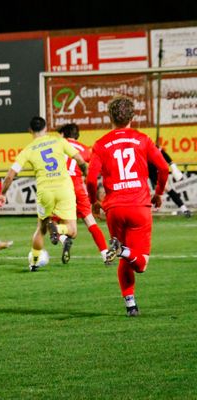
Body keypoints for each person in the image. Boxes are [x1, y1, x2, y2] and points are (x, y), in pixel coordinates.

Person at [86, 96, 169, 317]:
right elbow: (163, 168)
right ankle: (121, 250)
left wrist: (94, 201)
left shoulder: (101, 144)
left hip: (114, 209)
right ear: (133, 116)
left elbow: (91, 180)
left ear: (110, 117)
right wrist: (158, 193)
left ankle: (130, 305)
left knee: (126, 256)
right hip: (139, 206)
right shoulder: (143, 139)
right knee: (141, 264)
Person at [0, 116, 87, 271]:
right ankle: (59, 230)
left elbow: (10, 175)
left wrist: (3, 193)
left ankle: (34, 261)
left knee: (41, 228)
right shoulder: (59, 141)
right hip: (64, 189)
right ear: (46, 128)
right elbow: (80, 160)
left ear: (30, 130)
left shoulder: (28, 150)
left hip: (45, 192)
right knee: (72, 230)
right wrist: (85, 174)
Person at [57, 123, 109, 263]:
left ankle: (63, 239)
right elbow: (95, 165)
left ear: (63, 134)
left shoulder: (58, 145)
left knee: (51, 223)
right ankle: (105, 254)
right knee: (90, 221)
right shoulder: (85, 149)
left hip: (61, 187)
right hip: (78, 187)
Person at [149, 147, 192, 218]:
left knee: (167, 188)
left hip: (154, 169)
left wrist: (173, 166)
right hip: (143, 169)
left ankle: (184, 209)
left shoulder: (152, 146)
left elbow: (164, 154)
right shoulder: (139, 146)